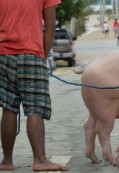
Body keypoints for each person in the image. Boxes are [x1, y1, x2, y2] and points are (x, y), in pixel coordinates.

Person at [0, 0, 68, 171]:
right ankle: (40, 160)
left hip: (3, 53)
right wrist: (42, 56)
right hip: (31, 52)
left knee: (8, 108)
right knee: (35, 108)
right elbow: (51, 27)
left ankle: (7, 161)